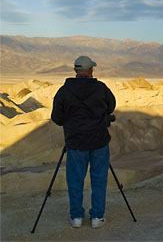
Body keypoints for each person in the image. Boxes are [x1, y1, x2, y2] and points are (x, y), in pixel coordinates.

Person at [51, 56, 116, 229]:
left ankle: (76, 217)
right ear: (91, 70)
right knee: (99, 180)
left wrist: (72, 120)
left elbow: (56, 118)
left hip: (75, 143)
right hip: (99, 142)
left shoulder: (64, 91)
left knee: (75, 180)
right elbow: (111, 107)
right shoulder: (101, 89)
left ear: (75, 71)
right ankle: (97, 217)